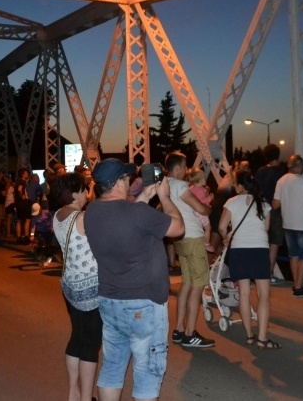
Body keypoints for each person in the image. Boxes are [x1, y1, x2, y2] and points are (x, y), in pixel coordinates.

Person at [84, 158, 184, 401]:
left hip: (110, 300)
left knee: (113, 365)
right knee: (147, 370)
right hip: (144, 303)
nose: (130, 181)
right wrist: (165, 197)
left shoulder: (92, 212)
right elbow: (178, 228)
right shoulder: (137, 213)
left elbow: (124, 219)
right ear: (119, 182)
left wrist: (144, 199)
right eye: (127, 177)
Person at [51, 173, 100, 401]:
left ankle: (73, 391)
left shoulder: (57, 216)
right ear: (73, 193)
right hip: (89, 290)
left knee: (77, 338)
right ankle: (86, 397)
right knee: (91, 344)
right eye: (83, 190)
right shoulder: (82, 218)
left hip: (70, 286)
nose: (86, 194)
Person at [218, 171, 280, 350]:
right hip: (260, 250)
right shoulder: (264, 204)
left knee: (244, 294)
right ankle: (262, 338)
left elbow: (222, 227)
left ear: (239, 186)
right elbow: (266, 228)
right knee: (264, 296)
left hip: (239, 251)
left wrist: (225, 238)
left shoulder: (231, 202)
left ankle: (250, 335)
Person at [166, 151, 215, 348]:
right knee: (198, 286)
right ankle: (190, 333)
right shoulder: (179, 185)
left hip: (179, 239)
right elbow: (201, 209)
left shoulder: (165, 185)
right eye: (184, 167)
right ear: (178, 167)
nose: (186, 171)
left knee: (186, 283)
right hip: (194, 238)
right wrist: (209, 208)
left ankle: (178, 330)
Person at [273, 154, 303, 298]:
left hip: (288, 224)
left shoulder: (281, 181)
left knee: (293, 256)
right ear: (299, 166)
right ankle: (298, 288)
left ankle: (296, 284)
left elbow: (275, 204)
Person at [254, 144, 286, 284]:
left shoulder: (260, 171)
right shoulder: (281, 173)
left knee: (260, 243)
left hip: (260, 210)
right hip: (275, 212)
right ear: (278, 155)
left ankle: (256, 272)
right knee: (273, 244)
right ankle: (268, 274)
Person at [186, 167, 214, 253]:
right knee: (208, 228)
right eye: (203, 177)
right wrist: (209, 199)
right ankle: (207, 244)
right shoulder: (200, 190)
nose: (205, 178)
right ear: (199, 180)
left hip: (194, 213)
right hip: (200, 212)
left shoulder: (191, 188)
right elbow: (199, 202)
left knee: (200, 229)